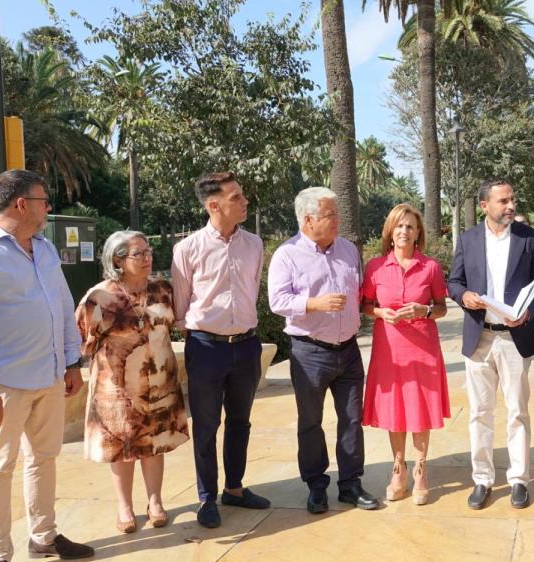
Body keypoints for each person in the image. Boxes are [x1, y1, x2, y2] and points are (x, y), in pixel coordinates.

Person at [0, 169, 94, 562]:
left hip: (48, 377)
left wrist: (70, 362)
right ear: (21, 204)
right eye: (43, 200)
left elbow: (63, 308)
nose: (49, 207)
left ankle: (43, 536)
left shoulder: (44, 248)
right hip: (4, 384)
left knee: (44, 459)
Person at [268, 187, 381, 513]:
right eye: (330, 215)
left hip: (349, 350)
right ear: (308, 220)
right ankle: (316, 485)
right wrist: (313, 304)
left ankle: (350, 484)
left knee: (351, 419)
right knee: (311, 422)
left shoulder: (347, 250)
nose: (337, 220)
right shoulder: (286, 255)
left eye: (336, 213)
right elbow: (277, 301)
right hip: (310, 353)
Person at [171, 172, 269, 529]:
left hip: (246, 346)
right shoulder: (188, 249)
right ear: (214, 205)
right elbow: (181, 306)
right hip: (205, 347)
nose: (244, 202)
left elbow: (252, 290)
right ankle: (206, 497)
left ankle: (235, 489)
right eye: (236, 197)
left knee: (240, 421)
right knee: (207, 426)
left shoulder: (254, 245)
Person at [447, 179, 534, 510]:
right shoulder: (468, 239)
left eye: (512, 200)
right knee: (479, 412)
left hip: (513, 339)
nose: (511, 206)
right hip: (479, 336)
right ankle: (482, 479)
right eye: (503, 201)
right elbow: (454, 281)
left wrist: (527, 312)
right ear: (484, 205)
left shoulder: (530, 239)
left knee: (517, 411)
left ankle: (519, 479)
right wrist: (463, 296)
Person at [76, 231, 189, 533]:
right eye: (138, 253)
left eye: (149, 250)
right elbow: (84, 340)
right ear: (118, 260)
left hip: (160, 382)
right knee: (123, 447)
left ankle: (155, 502)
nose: (147, 257)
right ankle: (124, 507)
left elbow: (179, 324)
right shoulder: (99, 296)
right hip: (118, 388)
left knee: (156, 443)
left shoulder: (163, 289)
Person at [361, 204, 450, 505]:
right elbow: (365, 305)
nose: (404, 231)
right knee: (394, 408)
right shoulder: (374, 267)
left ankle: (421, 468)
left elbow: (441, 306)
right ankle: (399, 468)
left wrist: (423, 310)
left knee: (420, 407)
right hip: (389, 349)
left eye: (410, 227)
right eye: (399, 226)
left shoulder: (430, 267)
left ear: (417, 233)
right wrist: (378, 312)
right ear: (390, 231)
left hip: (423, 348)